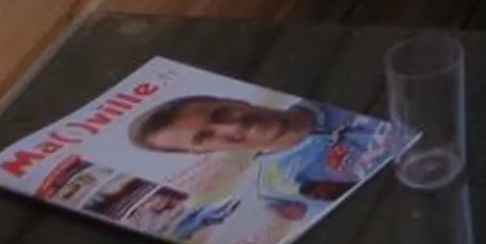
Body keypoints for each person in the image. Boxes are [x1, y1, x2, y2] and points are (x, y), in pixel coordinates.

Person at [132, 92, 374, 217]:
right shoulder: (280, 189)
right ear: (204, 152)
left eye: (221, 114)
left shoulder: (329, 89)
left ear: (233, 100)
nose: (233, 127)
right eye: (204, 137)